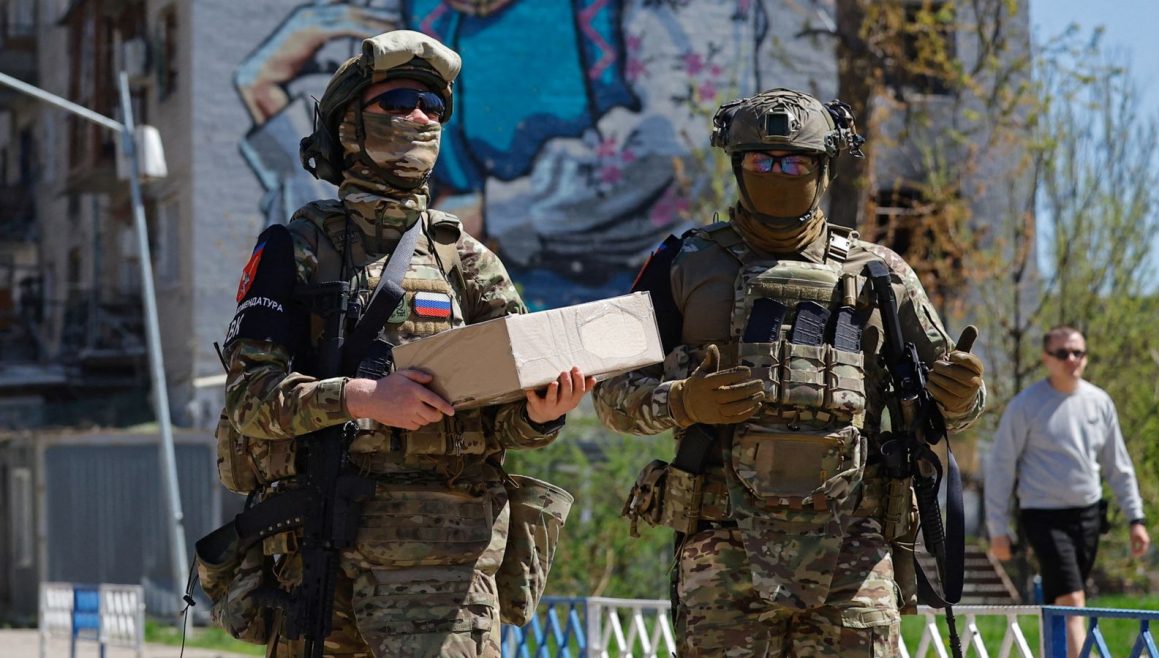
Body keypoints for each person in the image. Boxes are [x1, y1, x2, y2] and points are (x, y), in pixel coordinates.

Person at [221, 30, 594, 657]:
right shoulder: (297, 249)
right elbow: (249, 402)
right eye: (396, 103)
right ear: (348, 126)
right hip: (324, 559)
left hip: (449, 575)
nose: (419, 117)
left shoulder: (467, 260)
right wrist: (363, 398)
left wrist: (542, 414)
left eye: (432, 106)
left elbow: (505, 420)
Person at [592, 88, 986, 657]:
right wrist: (682, 402)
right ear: (737, 165)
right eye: (763, 161)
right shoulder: (681, 264)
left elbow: (949, 408)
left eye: (796, 163)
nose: (779, 174)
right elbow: (609, 395)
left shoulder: (881, 273)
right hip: (723, 544)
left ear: (824, 169)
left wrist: (960, 395)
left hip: (853, 546)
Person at [984, 325, 1149, 657]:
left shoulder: (1099, 402)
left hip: (1088, 516)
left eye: (1078, 352)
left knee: (1061, 603)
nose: (1072, 359)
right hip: (1043, 517)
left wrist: (1136, 519)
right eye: (1062, 353)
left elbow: (1118, 466)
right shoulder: (1026, 405)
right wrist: (997, 529)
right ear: (1046, 358)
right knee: (1073, 599)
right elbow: (1001, 467)